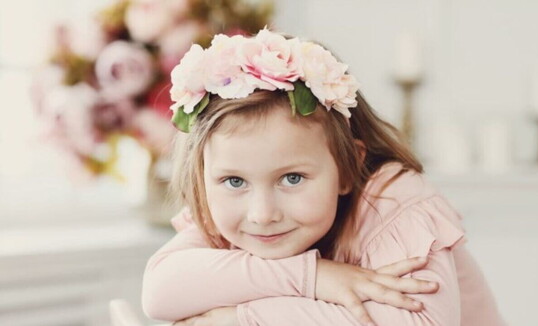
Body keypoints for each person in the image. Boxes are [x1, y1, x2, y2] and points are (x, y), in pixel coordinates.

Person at [141, 27, 505, 326]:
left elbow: (419, 322)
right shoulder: (224, 217)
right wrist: (314, 278)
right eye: (235, 182)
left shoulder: (393, 198)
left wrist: (239, 319)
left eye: (293, 179)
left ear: (347, 167)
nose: (263, 213)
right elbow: (160, 293)